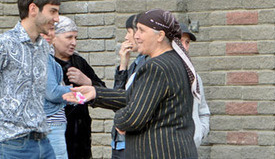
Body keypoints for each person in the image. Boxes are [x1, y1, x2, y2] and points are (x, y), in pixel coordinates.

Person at [63, 9, 198, 159]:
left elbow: (133, 117)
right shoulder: (174, 61)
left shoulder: (156, 67)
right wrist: (96, 93)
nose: (136, 36)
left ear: (160, 35)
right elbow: (137, 96)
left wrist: (120, 122)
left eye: (141, 30)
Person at [0, 0, 60, 158]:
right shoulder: (5, 44)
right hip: (12, 144)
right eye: (53, 11)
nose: (57, 18)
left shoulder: (43, 47)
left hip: (43, 141)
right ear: (33, 9)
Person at [52, 16, 106, 159]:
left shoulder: (79, 62)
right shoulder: (46, 63)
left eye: (76, 38)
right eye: (69, 37)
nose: (73, 43)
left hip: (81, 132)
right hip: (56, 132)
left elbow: (103, 91)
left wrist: (87, 81)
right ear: (54, 37)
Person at [110, 14, 147, 159]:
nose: (126, 37)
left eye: (128, 32)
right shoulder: (136, 63)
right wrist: (123, 64)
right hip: (120, 141)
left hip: (134, 143)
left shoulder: (148, 64)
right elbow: (117, 99)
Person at [179, 23, 210, 148]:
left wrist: (199, 134)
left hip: (190, 148)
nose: (185, 47)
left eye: (187, 42)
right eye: (180, 41)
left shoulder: (195, 78)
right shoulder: (158, 71)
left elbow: (203, 111)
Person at [42, 26, 71, 159]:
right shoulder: (44, 57)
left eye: (52, 29)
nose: (49, 33)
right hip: (52, 123)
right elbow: (52, 92)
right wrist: (74, 91)